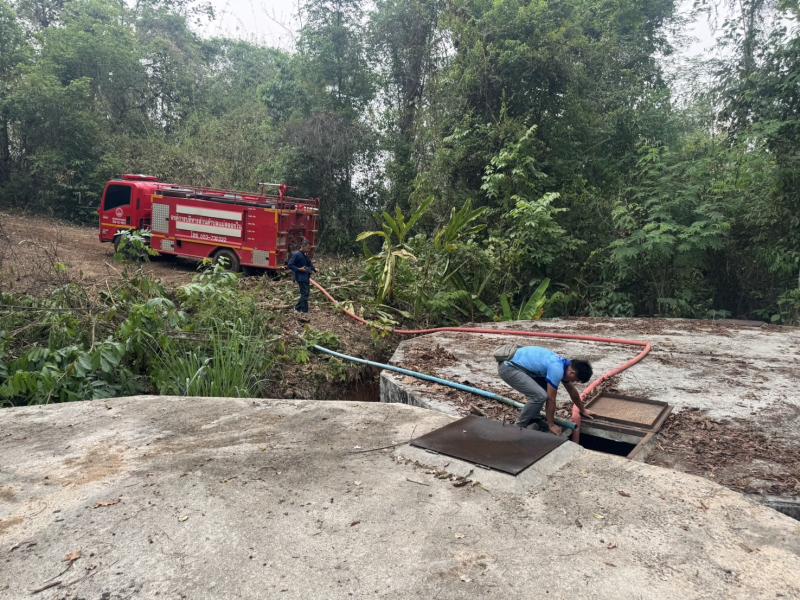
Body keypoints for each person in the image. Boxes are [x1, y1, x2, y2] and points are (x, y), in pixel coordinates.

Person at [498, 346, 594, 435]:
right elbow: (551, 399)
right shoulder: (557, 369)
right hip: (508, 368)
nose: (574, 382)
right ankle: (519, 427)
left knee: (544, 388)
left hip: (518, 365)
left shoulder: (566, 365)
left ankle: (533, 419)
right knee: (540, 396)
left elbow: (572, 391)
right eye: (576, 380)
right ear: (572, 373)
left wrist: (582, 410)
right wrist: (551, 425)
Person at [287, 239, 316, 313]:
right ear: (303, 246)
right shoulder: (297, 254)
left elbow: (309, 264)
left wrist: (315, 269)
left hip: (306, 277)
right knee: (305, 293)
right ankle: (304, 310)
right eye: (308, 248)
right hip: (300, 277)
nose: (309, 250)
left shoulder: (305, 255)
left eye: (309, 248)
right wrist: (299, 269)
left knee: (306, 293)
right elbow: (290, 265)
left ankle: (298, 308)